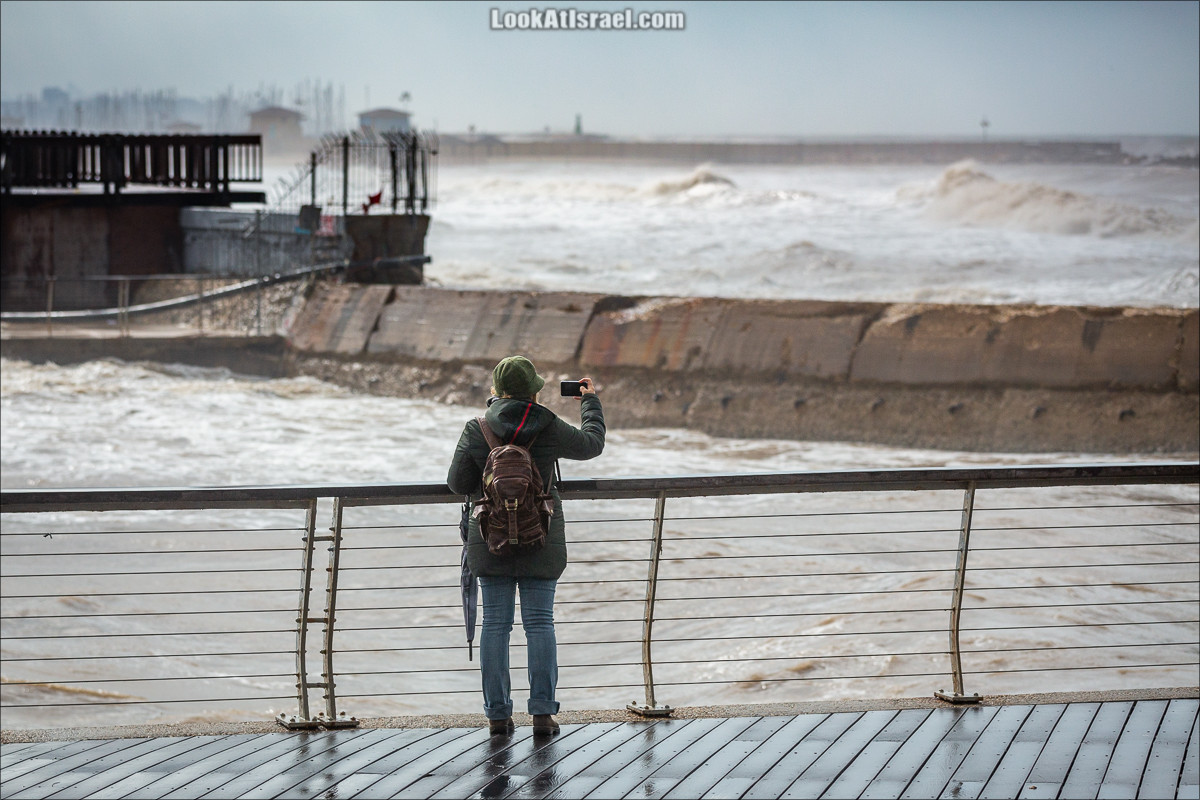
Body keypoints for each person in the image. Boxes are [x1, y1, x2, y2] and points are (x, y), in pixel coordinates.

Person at [447, 355, 605, 736]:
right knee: (539, 624)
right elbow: (592, 444)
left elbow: (456, 483)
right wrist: (589, 401)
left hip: (490, 537)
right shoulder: (548, 424)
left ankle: (498, 716)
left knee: (496, 626)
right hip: (541, 536)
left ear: (496, 391)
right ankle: (543, 714)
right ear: (535, 388)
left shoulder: (478, 427)